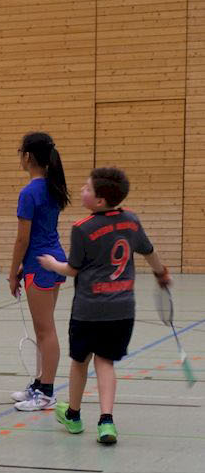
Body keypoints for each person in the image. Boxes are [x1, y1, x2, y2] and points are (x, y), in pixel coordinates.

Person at [37, 167, 169, 446]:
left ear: (99, 200)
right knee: (105, 362)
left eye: (87, 188)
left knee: (80, 363)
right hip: (122, 310)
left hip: (88, 310)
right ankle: (106, 421)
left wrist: (51, 264)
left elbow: (72, 269)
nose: (82, 190)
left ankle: (73, 415)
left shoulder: (82, 228)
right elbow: (149, 252)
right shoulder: (131, 221)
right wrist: (161, 273)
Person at [8, 132, 70, 411]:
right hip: (51, 258)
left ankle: (46, 392)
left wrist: (13, 272)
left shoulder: (29, 192)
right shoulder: (52, 187)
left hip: (40, 264)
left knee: (46, 330)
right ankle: (39, 383)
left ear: (28, 156)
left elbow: (23, 238)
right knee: (42, 328)